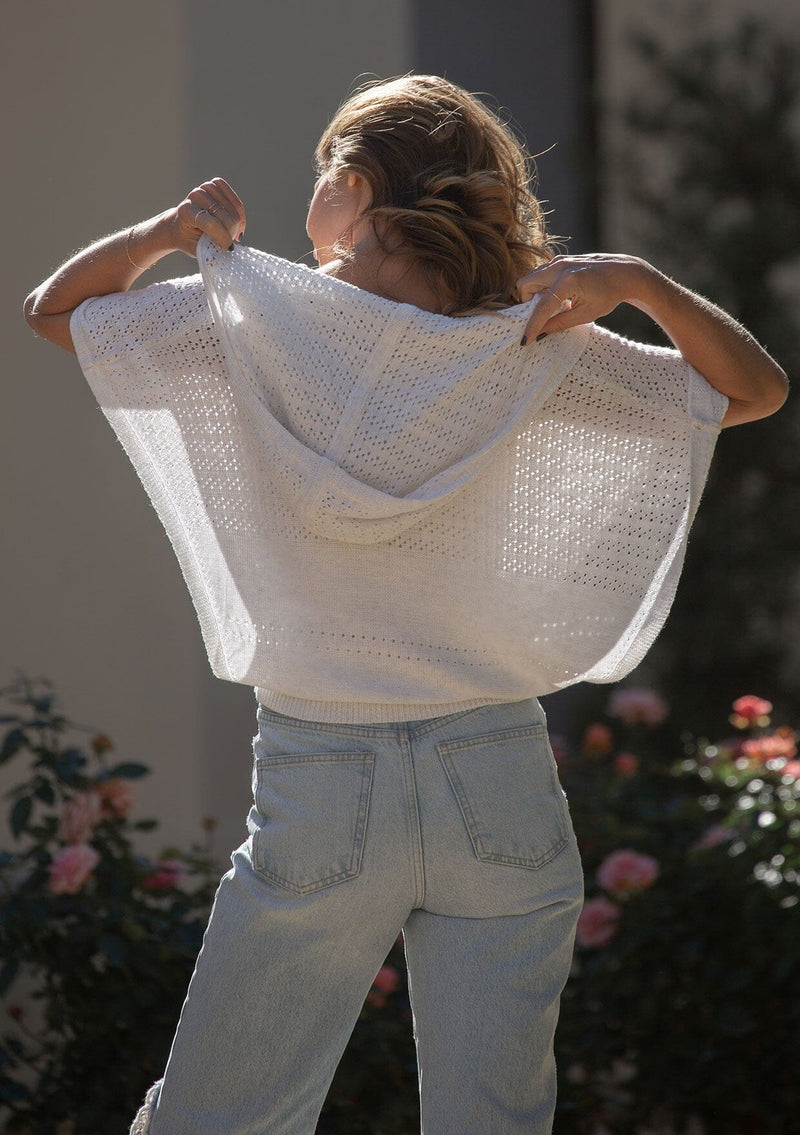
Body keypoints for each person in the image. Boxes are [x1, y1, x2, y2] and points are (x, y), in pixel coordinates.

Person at [24, 74, 787, 1135]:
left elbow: (55, 311)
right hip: (496, 772)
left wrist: (162, 231)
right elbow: (752, 390)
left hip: (321, 771)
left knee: (218, 1119)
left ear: (348, 184)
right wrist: (638, 282)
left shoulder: (249, 322)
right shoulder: (531, 340)